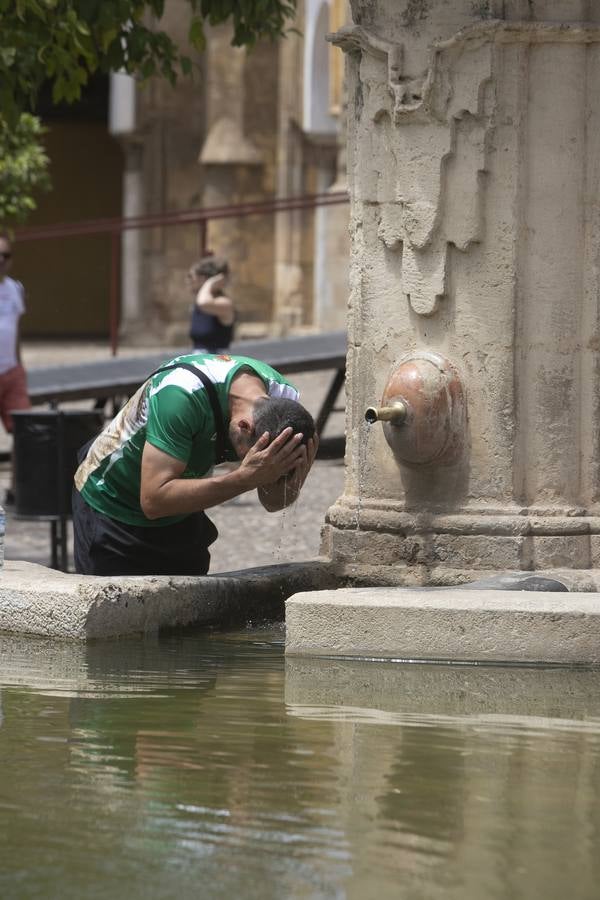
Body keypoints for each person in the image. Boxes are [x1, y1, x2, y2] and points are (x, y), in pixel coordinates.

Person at [72, 351, 318, 576]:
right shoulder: (180, 396)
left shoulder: (286, 409)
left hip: (181, 508)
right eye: (249, 457)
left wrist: (294, 478)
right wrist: (244, 478)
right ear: (244, 426)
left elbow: (272, 502)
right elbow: (153, 500)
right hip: (112, 503)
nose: (249, 463)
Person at [0, 232, 32, 505]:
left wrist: (20, 366)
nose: (0, 259)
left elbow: (16, 330)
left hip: (11, 371)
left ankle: (16, 489)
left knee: (22, 432)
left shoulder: (15, 289)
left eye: (6, 255)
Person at [187, 256, 235, 352]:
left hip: (218, 363)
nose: (189, 281)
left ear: (204, 279)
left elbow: (203, 302)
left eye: (191, 277)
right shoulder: (197, 305)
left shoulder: (224, 303)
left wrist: (210, 282)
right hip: (200, 361)